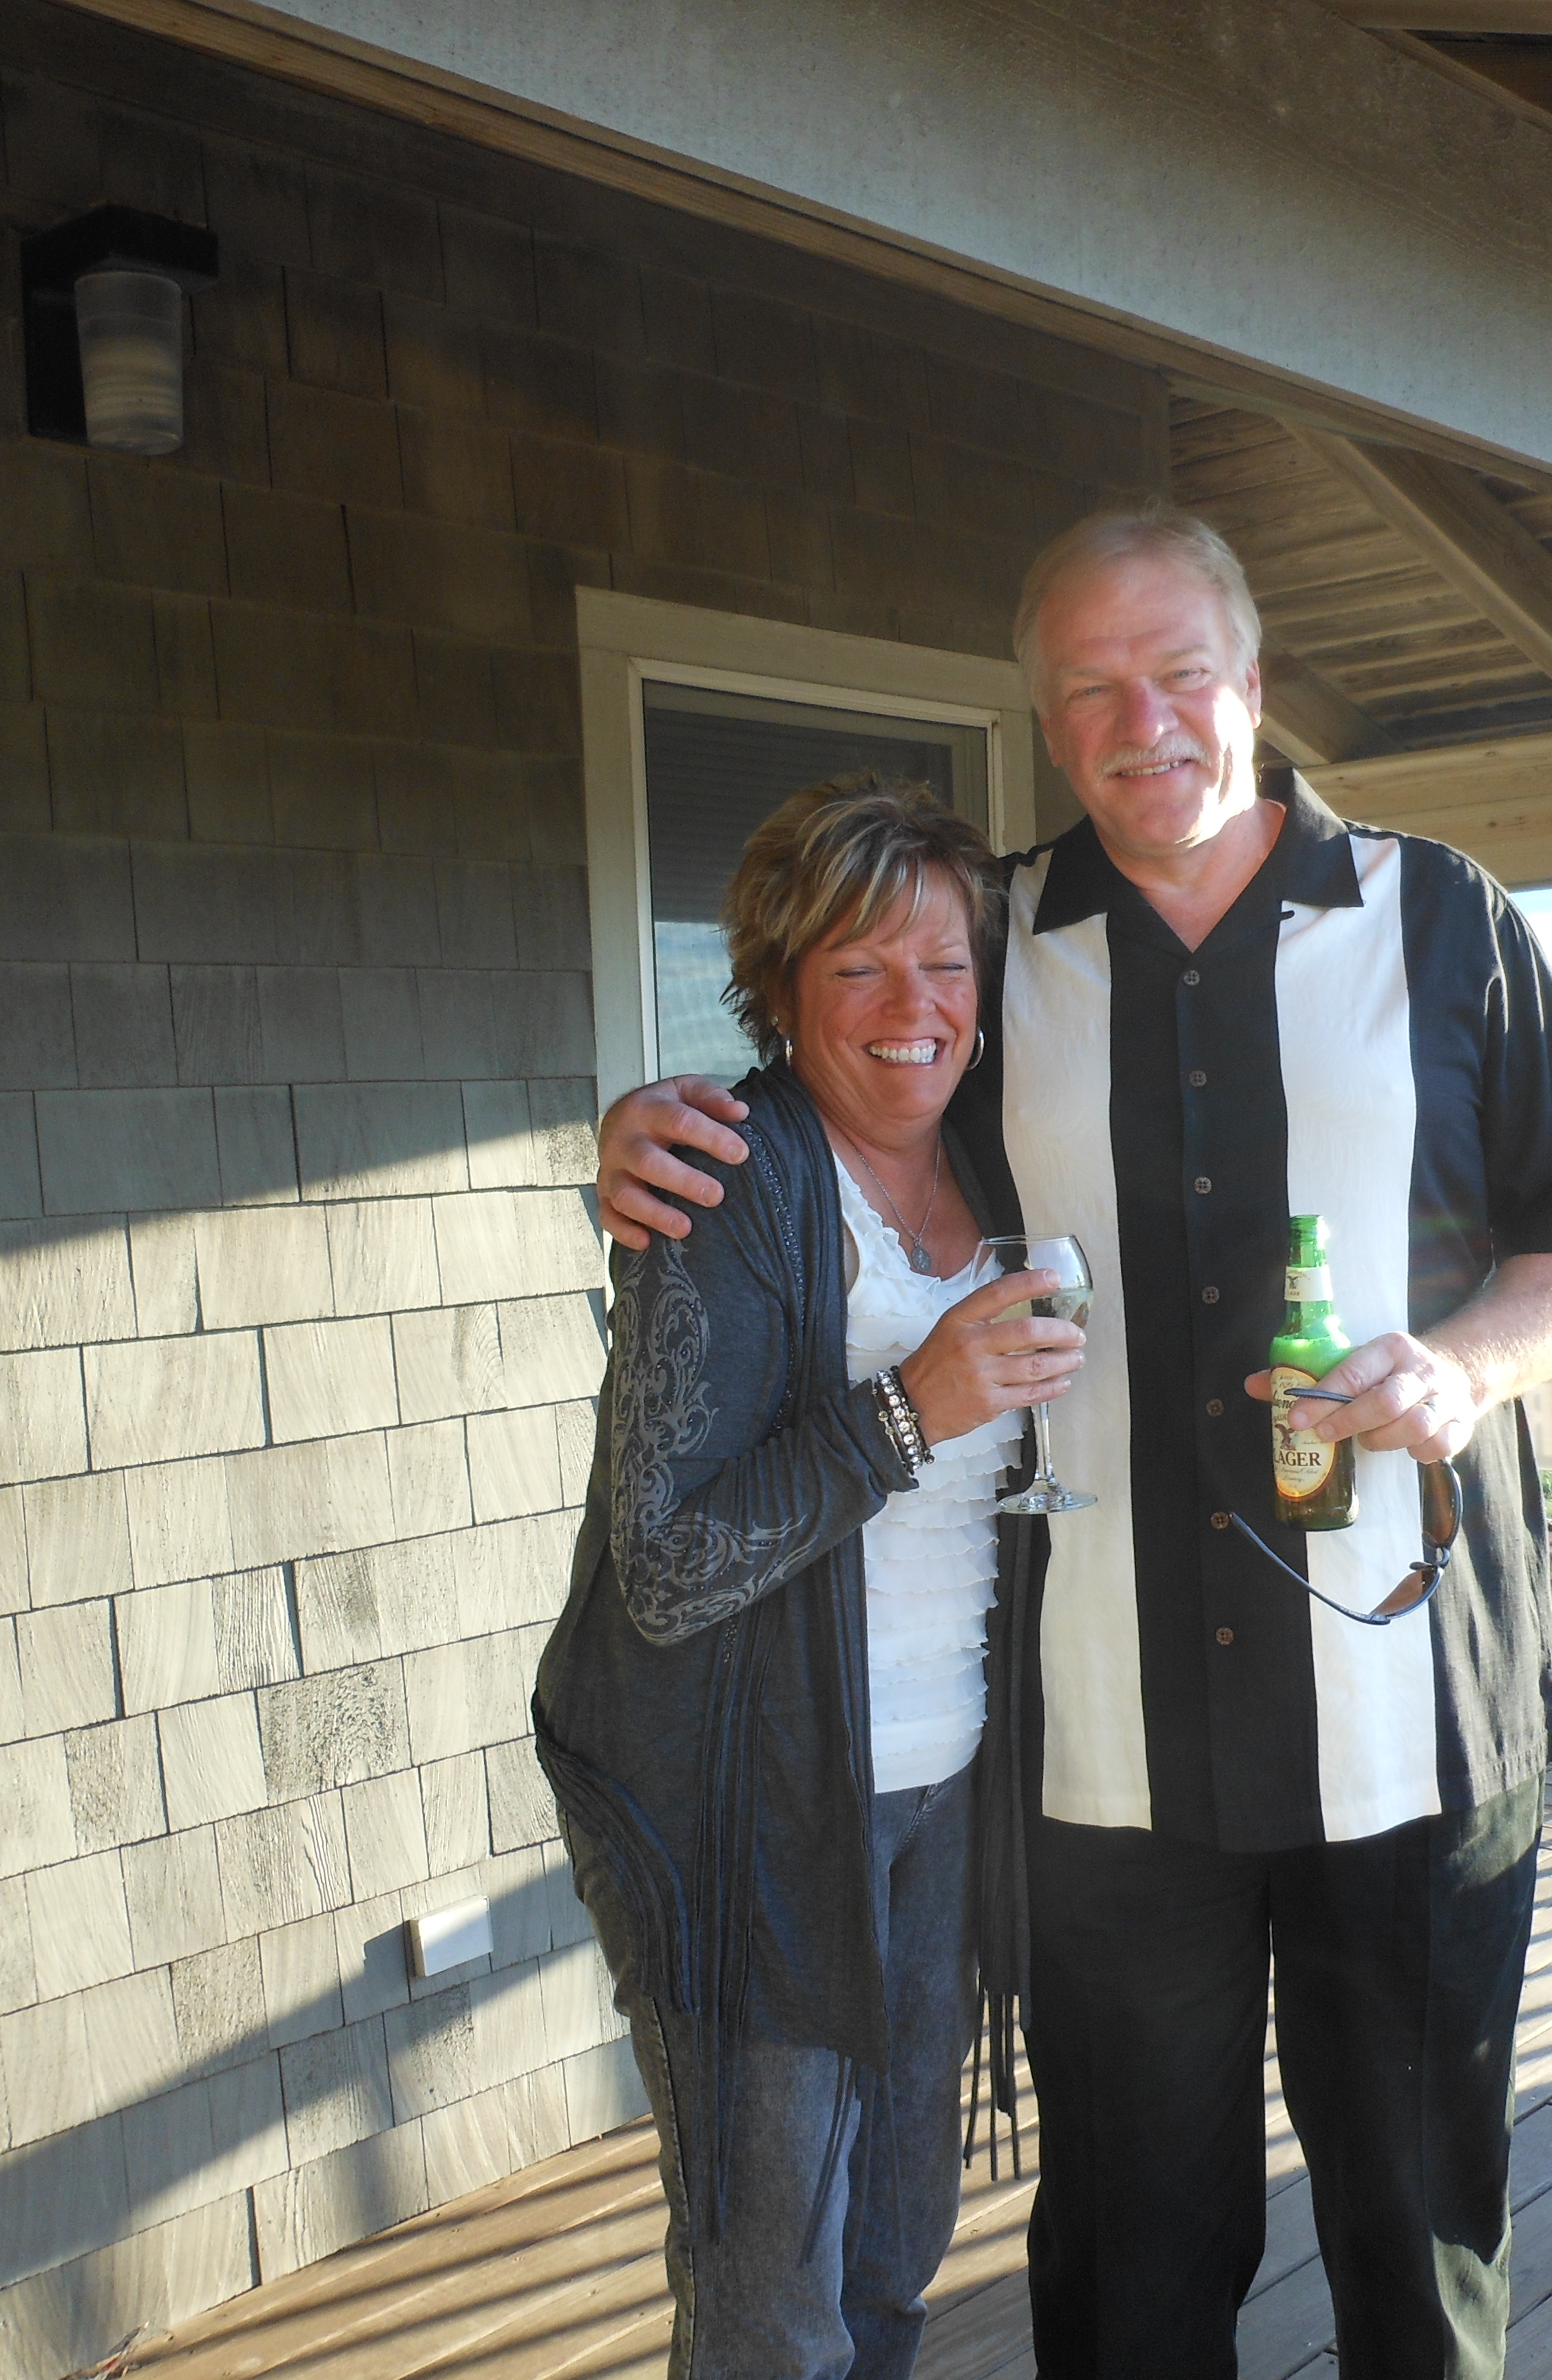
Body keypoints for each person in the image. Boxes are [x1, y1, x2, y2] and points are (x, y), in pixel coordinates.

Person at [597, 508, 1552, 2380]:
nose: (1140, 721)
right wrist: (651, 1135)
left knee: (1423, 2257)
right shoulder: (994, 940)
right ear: (1045, 716)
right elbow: (846, 1091)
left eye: (1177, 674)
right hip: (1099, 1752)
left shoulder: (1443, 917)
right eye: (1090, 688)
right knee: (1128, 2279)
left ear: (1251, 682)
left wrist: (1473, 1367)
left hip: (1413, 1711)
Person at [536, 773, 1087, 2380]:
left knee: (897, 2255)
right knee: (771, 2306)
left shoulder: (1000, 1158)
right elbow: (665, 1565)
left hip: (943, 1790)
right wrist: (915, 1406)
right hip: (753, 1816)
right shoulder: (726, 1179)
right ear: (780, 993)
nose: (915, 1008)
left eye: (947, 964)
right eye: (860, 967)